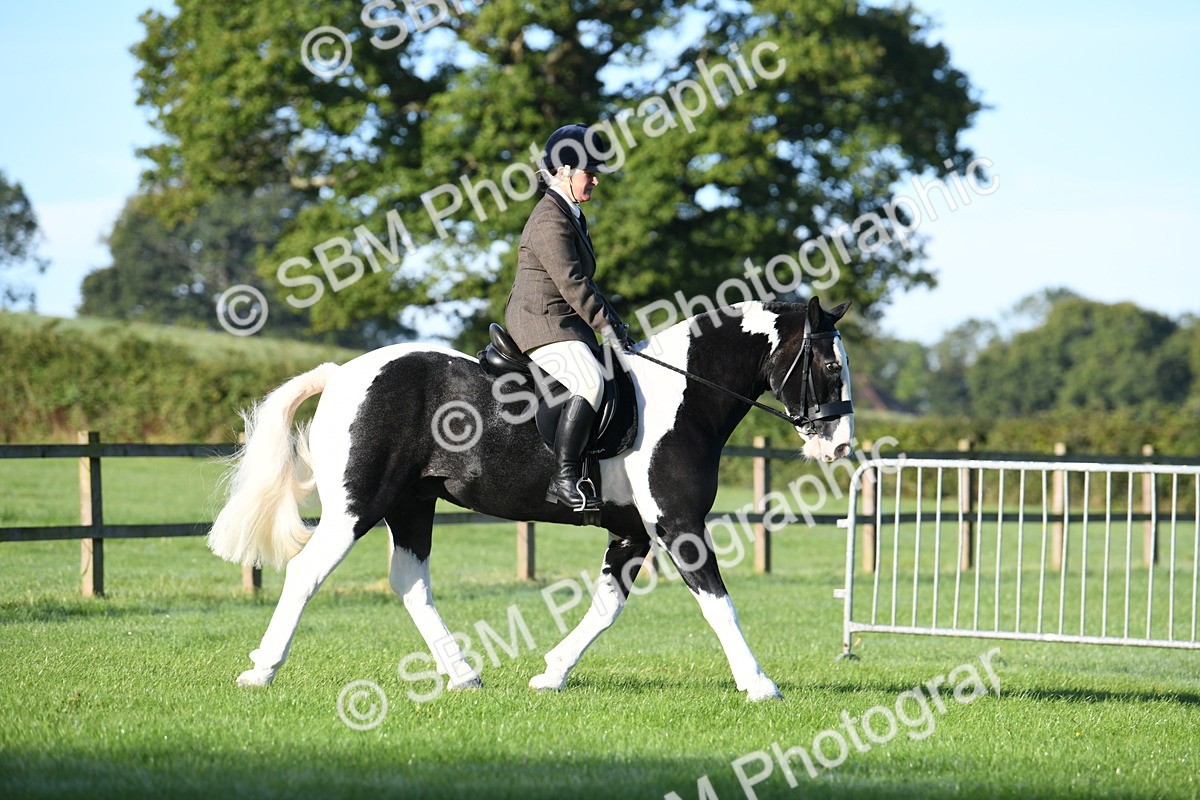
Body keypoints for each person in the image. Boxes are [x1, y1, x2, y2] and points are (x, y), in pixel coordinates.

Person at [504, 123, 634, 512]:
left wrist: (618, 325)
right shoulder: (549, 219)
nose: (595, 180)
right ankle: (564, 479)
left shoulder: (570, 212)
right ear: (562, 170)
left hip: (565, 323)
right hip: (541, 321)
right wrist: (607, 328)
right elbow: (574, 284)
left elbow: (587, 288)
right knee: (590, 381)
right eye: (588, 172)